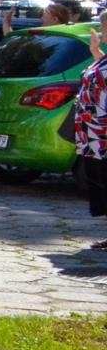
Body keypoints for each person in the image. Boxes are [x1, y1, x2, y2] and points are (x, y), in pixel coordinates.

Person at [74, 25, 107, 250]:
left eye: (104, 26)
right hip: (94, 133)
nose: (102, 31)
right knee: (100, 182)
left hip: (102, 132)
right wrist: (95, 51)